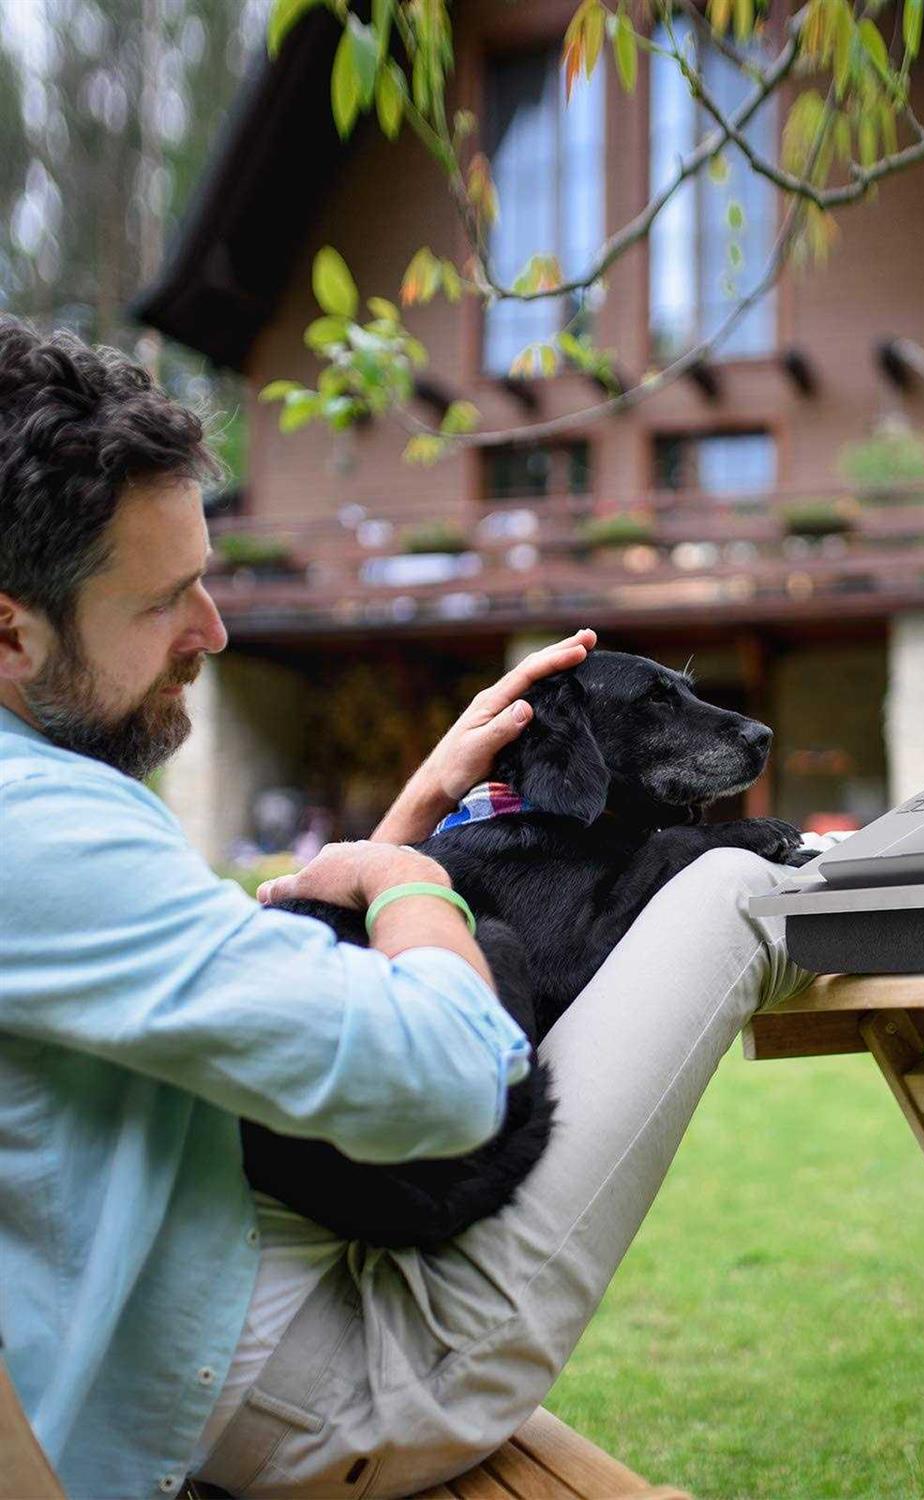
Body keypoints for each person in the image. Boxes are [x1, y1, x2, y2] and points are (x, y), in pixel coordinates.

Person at [0, 318, 815, 1498]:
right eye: (167, 599)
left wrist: (423, 809)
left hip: (224, 1308)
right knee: (734, 885)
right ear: (10, 627)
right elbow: (447, 1085)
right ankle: (915, 905)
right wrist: (415, 879)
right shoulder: (43, 828)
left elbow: (265, 998)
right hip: (331, 1383)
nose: (216, 633)